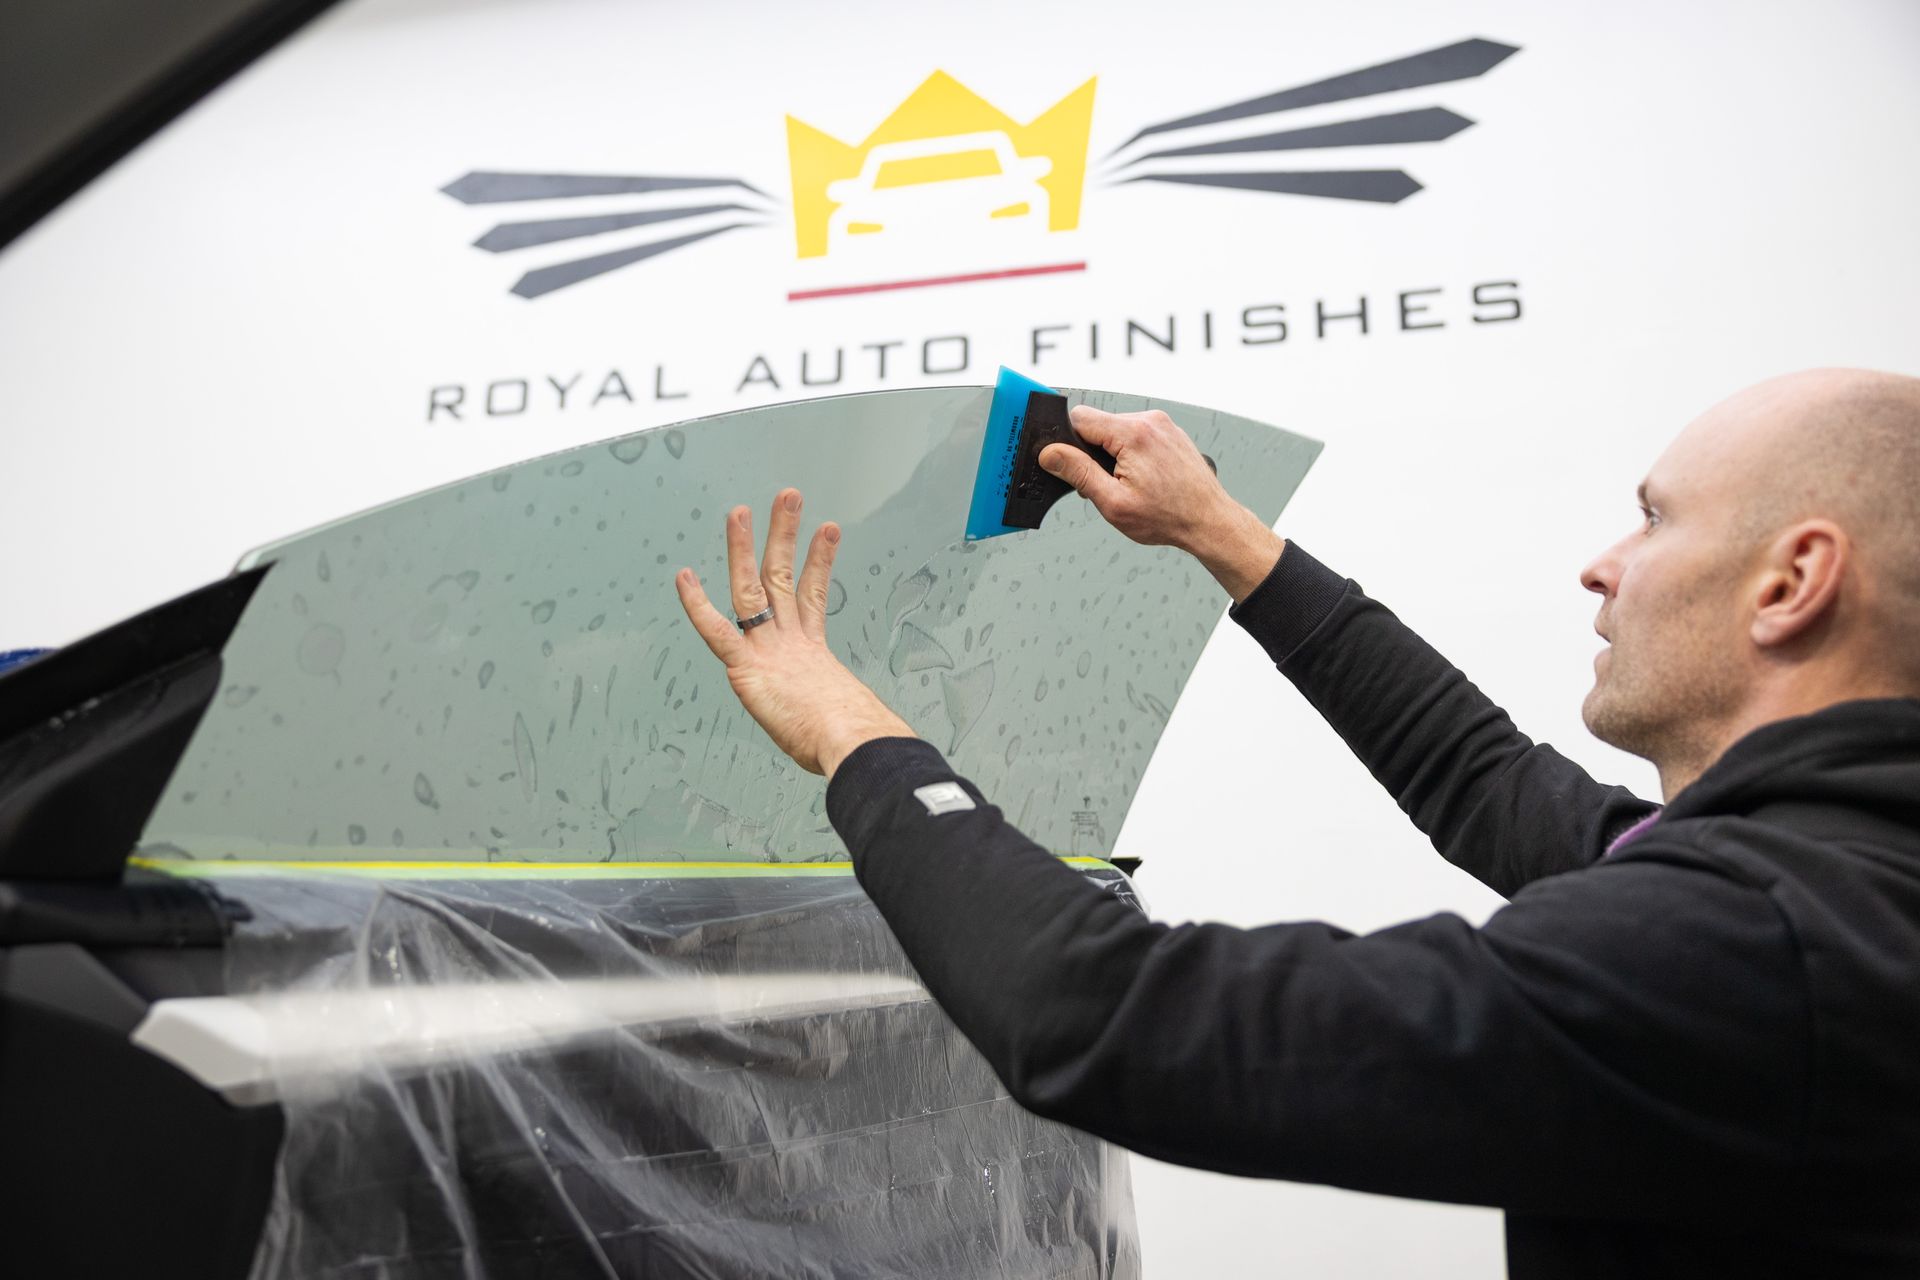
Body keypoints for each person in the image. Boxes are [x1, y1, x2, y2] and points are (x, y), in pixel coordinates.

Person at [672, 367, 1920, 1278]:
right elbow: (1479, 778)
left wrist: (855, 736)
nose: (1603, 563)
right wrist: (1224, 536)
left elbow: (1107, 1016)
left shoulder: (1756, 954)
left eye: (1653, 517)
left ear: (1794, 581)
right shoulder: (1833, 876)